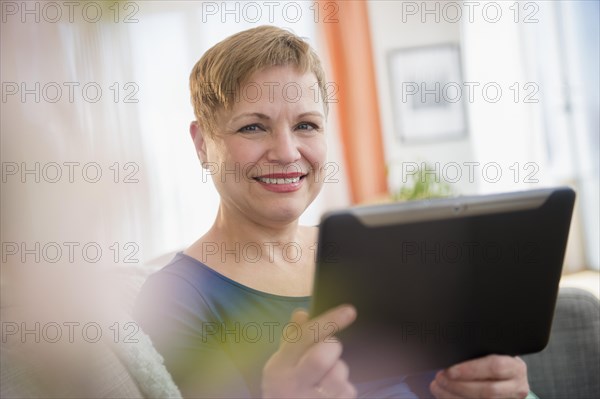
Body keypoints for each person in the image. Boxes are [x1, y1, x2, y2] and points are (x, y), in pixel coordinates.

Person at [133, 25, 531, 398]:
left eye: (306, 125)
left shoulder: (376, 256)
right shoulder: (175, 299)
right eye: (253, 127)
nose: (287, 153)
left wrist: (500, 387)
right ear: (202, 144)